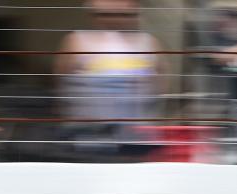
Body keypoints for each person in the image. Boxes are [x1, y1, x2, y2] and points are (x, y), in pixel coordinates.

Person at [54, 0, 163, 157]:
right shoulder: (77, 41)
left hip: (135, 139)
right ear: (93, 15)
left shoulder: (149, 43)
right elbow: (61, 85)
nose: (115, 19)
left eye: (124, 15)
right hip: (89, 139)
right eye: (106, 14)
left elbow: (159, 86)